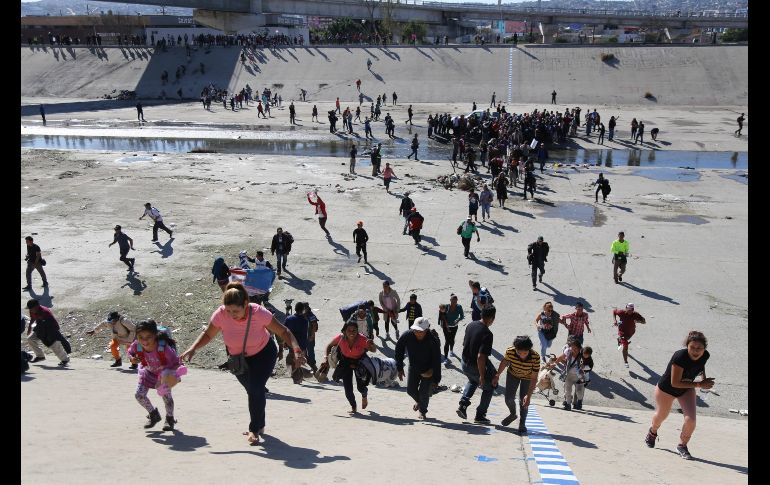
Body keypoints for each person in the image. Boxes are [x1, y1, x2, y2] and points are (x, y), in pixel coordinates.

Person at [180, 282, 305, 445]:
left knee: (255, 389)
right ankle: (260, 425)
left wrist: (296, 350)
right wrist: (193, 348)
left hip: (264, 354)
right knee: (254, 391)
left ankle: (254, 429)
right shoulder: (221, 314)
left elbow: (283, 331)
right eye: (228, 310)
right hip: (238, 360)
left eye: (236, 311)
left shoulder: (258, 312)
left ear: (245, 304)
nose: (232, 315)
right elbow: (208, 334)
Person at [645, 331, 713, 460]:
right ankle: (652, 431)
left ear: (704, 349)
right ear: (687, 346)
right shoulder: (680, 356)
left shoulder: (705, 355)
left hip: (687, 389)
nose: (696, 351)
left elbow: (701, 365)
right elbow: (675, 382)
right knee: (662, 415)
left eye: (699, 348)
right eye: (692, 347)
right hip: (666, 389)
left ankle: (682, 445)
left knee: (691, 420)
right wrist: (699, 384)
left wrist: (704, 380)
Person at [127, 320, 184, 431]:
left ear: (155, 335)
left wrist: (175, 375)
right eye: (140, 337)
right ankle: (153, 414)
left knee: (166, 397)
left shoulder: (163, 348)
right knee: (139, 395)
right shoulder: (137, 345)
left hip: (163, 376)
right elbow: (130, 352)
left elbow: (176, 362)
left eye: (148, 337)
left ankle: (169, 418)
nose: (144, 341)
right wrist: (132, 359)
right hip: (147, 373)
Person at [325, 321, 377, 415]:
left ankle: (364, 395)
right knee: (348, 390)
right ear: (344, 331)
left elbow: (373, 350)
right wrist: (326, 359)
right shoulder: (340, 338)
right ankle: (354, 407)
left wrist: (372, 345)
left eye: (354, 330)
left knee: (360, 387)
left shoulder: (362, 339)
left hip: (360, 362)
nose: (352, 332)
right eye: (349, 330)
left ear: (357, 331)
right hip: (346, 362)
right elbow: (329, 346)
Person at [456, 306, 497, 424]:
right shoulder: (487, 334)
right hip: (474, 364)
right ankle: (480, 415)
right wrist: (482, 376)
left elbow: (465, 344)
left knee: (473, 381)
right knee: (489, 387)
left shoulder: (471, 325)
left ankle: (463, 405)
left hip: (464, 362)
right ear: (492, 318)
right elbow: (481, 357)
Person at [395, 317, 442, 419]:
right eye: (415, 330)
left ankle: (422, 411)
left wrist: (436, 378)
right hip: (414, 367)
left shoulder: (433, 340)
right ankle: (419, 402)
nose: (417, 333)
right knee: (410, 390)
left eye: (420, 331)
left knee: (424, 392)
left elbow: (437, 359)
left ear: (426, 330)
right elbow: (399, 349)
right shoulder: (408, 335)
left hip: (428, 369)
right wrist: (399, 367)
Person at [494, 335, 540, 433]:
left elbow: (534, 377)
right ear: (515, 349)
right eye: (519, 353)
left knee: (524, 401)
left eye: (525, 353)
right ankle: (513, 414)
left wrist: (529, 395)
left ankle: (522, 423)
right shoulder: (510, 351)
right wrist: (497, 375)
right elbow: (504, 362)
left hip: (528, 377)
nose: (522, 355)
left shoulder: (535, 357)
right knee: (508, 398)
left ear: (529, 350)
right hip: (513, 374)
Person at [25, 299, 70, 366]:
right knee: (30, 339)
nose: (30, 310)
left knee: (54, 345)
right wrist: (29, 329)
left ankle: (65, 360)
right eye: (29, 309)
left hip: (51, 329)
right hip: (40, 328)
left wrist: (45, 337)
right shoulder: (32, 310)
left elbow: (51, 325)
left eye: (31, 309)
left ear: (36, 306)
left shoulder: (45, 312)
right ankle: (40, 356)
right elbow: (32, 318)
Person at [547, 336, 584, 411]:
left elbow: (588, 362)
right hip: (569, 374)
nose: (574, 350)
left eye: (575, 349)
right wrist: (554, 364)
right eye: (572, 348)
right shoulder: (568, 350)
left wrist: (584, 367)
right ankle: (568, 404)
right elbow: (561, 357)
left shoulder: (582, 352)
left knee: (579, 390)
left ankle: (579, 402)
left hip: (579, 376)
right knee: (567, 390)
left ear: (579, 348)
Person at [284, 302, 310, 384]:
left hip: (291, 343)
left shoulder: (289, 319)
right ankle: (299, 377)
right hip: (302, 344)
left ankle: (297, 377)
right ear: (303, 310)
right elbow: (305, 333)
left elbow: (284, 331)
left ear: (295, 309)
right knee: (299, 360)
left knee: (294, 360)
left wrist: (285, 342)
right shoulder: (305, 320)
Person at [613, 303, 646, 368]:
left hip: (630, 332)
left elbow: (644, 321)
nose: (629, 311)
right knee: (625, 346)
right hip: (622, 332)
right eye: (628, 309)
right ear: (626, 308)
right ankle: (626, 362)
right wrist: (615, 320)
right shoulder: (621, 312)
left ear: (633, 310)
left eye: (631, 310)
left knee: (624, 340)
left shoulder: (636, 314)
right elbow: (614, 311)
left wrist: (638, 321)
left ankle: (620, 340)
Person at [442, 294, 465, 361]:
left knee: (452, 339)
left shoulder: (459, 307)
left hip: (454, 327)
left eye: (455, 301)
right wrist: (446, 325)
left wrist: (458, 319)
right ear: (450, 300)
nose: (454, 303)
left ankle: (451, 350)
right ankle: (446, 358)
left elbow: (462, 316)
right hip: (446, 326)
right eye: (453, 301)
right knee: (447, 341)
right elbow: (443, 316)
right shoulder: (446, 306)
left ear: (457, 301)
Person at [303, 302, 319, 372]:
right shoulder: (302, 314)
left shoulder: (311, 315)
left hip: (309, 337)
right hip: (303, 337)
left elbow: (314, 325)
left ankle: (313, 366)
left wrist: (312, 336)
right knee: (303, 352)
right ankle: (306, 365)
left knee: (310, 352)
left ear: (307, 308)